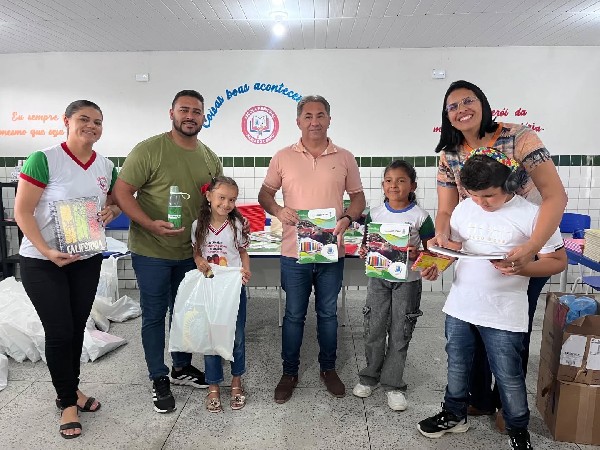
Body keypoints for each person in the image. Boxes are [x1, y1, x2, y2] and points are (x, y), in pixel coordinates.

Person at [429, 80, 567, 425]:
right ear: (446, 116)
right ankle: (478, 400)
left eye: (468, 101)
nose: (461, 110)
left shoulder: (519, 137)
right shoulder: (450, 154)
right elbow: (446, 210)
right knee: (470, 329)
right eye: (452, 106)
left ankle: (507, 406)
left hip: (526, 241)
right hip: (480, 246)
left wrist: (531, 249)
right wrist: (442, 238)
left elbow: (555, 196)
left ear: (483, 103)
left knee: (510, 332)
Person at [417, 150, 566, 449]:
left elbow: (558, 261)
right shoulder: (464, 208)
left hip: (503, 312)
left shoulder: (532, 215)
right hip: (461, 305)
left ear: (508, 185)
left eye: (488, 196)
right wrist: (436, 265)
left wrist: (524, 267)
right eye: (474, 195)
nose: (481, 203)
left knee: (508, 373)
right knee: (457, 364)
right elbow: (456, 249)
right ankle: (454, 413)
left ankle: (517, 428)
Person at [15, 100, 120, 439]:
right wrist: (47, 250)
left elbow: (114, 202)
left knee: (75, 329)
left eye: (98, 122)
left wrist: (113, 211)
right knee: (59, 331)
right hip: (42, 261)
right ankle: (67, 403)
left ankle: (71, 389)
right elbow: (22, 212)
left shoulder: (106, 166)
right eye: (84, 119)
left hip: (85, 259)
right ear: (66, 121)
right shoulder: (44, 159)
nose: (91, 126)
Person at [112, 90, 222, 413]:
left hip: (191, 253)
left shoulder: (209, 157)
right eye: (184, 110)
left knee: (185, 313)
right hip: (152, 251)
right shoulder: (150, 150)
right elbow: (122, 192)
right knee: (155, 314)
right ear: (171, 113)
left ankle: (181, 367)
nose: (190, 116)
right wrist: (149, 224)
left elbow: (216, 202)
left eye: (196, 111)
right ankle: (158, 376)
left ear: (203, 117)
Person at [258, 94, 366, 403]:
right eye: (308, 116)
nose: (314, 121)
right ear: (298, 121)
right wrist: (278, 211)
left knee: (328, 314)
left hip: (331, 251)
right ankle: (289, 372)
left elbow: (358, 198)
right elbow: (265, 194)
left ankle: (328, 369)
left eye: (320, 115)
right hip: (294, 253)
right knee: (294, 315)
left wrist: (348, 217)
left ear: (329, 119)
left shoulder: (345, 157)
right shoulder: (282, 156)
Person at [352, 160, 434, 411]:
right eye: (389, 181)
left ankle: (393, 384)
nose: (394, 185)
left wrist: (417, 253)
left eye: (401, 181)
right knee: (374, 328)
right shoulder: (375, 214)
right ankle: (369, 376)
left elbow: (432, 255)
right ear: (382, 185)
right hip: (378, 280)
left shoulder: (421, 217)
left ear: (413, 186)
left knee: (400, 332)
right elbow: (366, 245)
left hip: (407, 283)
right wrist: (364, 252)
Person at [191, 176, 251, 413]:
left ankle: (236, 381)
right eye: (222, 198)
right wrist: (199, 261)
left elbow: (243, 252)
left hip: (233, 289)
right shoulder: (198, 225)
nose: (226, 204)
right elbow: (196, 253)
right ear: (209, 197)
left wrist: (246, 270)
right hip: (210, 289)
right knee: (212, 338)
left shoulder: (237, 225)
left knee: (237, 336)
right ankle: (213, 385)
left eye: (232, 200)